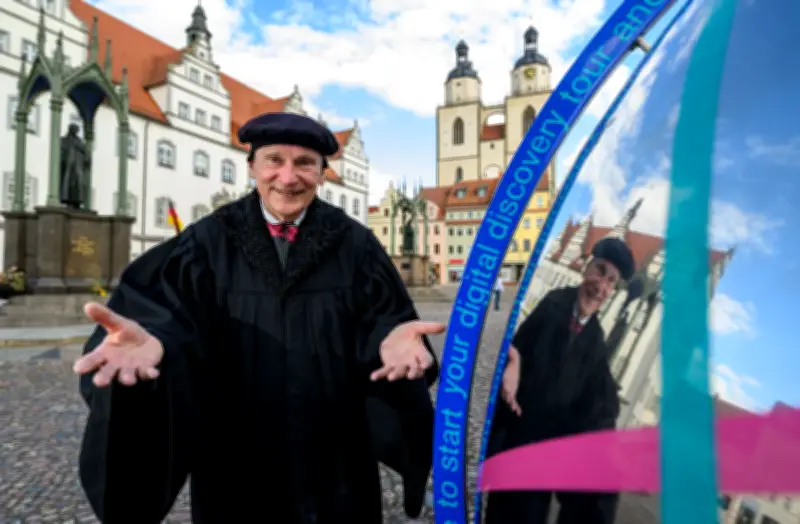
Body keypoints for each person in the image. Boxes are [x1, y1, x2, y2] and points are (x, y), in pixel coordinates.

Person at [73, 112, 445, 524]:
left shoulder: (355, 243)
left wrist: (389, 339)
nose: (288, 177)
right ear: (252, 167)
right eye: (274, 160)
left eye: (305, 163)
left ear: (323, 173)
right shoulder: (207, 241)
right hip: (234, 453)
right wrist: (158, 340)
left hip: (334, 452)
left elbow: (386, 320)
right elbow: (167, 312)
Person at [484, 236, 635, 524]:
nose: (601, 286)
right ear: (586, 268)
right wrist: (512, 361)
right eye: (600, 271)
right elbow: (514, 347)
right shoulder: (552, 304)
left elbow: (597, 418)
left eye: (611, 282)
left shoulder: (597, 346)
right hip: (515, 444)